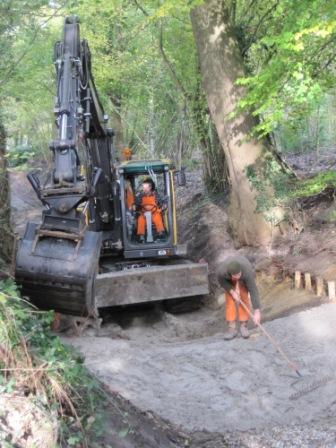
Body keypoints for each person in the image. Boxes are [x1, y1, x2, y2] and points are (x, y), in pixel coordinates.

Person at [217, 255, 261, 340]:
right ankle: (231, 328)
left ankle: (243, 325)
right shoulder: (222, 272)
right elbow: (222, 281)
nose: (238, 276)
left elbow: (253, 290)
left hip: (244, 272)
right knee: (230, 299)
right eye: (236, 275)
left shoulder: (247, 272)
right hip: (228, 279)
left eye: (239, 274)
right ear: (230, 274)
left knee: (244, 296)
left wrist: (257, 311)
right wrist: (232, 291)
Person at [135, 178, 165, 243]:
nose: (144, 189)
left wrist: (163, 205)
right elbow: (137, 205)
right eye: (143, 187)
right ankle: (141, 236)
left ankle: (160, 233)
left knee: (158, 218)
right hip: (144, 214)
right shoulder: (140, 196)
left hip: (154, 213)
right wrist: (136, 205)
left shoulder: (156, 195)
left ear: (150, 187)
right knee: (140, 219)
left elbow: (161, 203)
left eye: (146, 187)